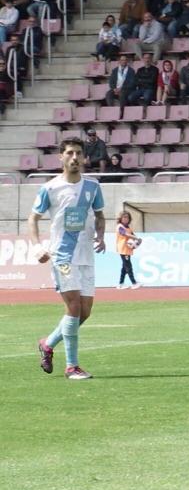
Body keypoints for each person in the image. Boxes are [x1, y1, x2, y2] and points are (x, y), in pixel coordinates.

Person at [29, 138, 106, 381]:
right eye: (70, 153)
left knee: (84, 313)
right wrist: (37, 246)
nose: (75, 157)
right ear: (61, 158)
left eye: (79, 153)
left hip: (86, 256)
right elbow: (33, 219)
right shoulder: (50, 188)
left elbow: (100, 215)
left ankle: (48, 343)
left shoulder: (93, 187)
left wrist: (101, 236)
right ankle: (72, 366)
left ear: (84, 158)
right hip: (62, 255)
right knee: (73, 307)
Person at [115, 208, 141, 286]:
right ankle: (134, 283)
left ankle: (120, 283)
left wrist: (138, 241)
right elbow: (125, 234)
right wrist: (135, 238)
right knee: (128, 266)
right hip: (123, 249)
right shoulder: (120, 226)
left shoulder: (128, 227)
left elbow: (133, 235)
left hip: (127, 249)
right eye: (124, 217)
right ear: (121, 218)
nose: (126, 219)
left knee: (124, 267)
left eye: (127, 217)